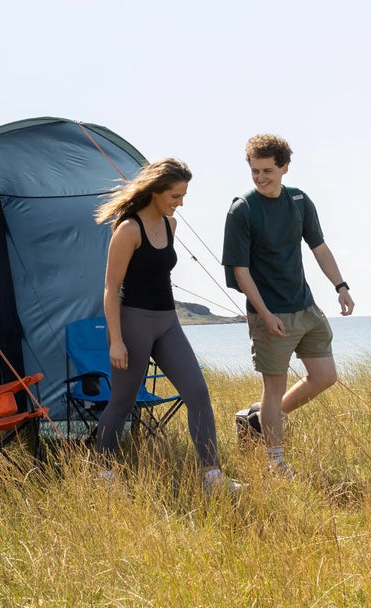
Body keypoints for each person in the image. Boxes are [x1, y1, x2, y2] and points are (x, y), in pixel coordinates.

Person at [94, 158, 239, 493]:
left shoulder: (172, 225)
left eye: (183, 195)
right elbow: (110, 288)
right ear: (156, 191)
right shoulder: (129, 229)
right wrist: (116, 340)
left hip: (168, 322)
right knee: (122, 403)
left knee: (198, 393)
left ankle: (212, 479)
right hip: (134, 323)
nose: (180, 203)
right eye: (175, 195)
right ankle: (105, 477)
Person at [223, 134, 354, 476]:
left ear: (284, 167)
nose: (261, 177)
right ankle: (275, 462)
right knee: (274, 386)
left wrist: (340, 286)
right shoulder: (243, 209)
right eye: (255, 171)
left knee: (325, 376)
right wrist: (264, 315)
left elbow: (319, 248)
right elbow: (240, 270)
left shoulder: (299, 201)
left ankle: (256, 416)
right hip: (270, 313)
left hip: (305, 307)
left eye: (268, 170)